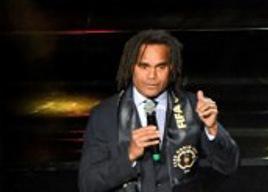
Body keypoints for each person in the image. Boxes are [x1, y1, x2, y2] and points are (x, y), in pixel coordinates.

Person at [78, 30, 238, 192]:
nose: (152, 76)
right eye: (144, 66)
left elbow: (229, 165)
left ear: (171, 68)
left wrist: (212, 129)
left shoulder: (192, 106)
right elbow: (88, 184)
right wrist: (129, 156)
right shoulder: (105, 114)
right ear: (131, 67)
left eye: (161, 67)